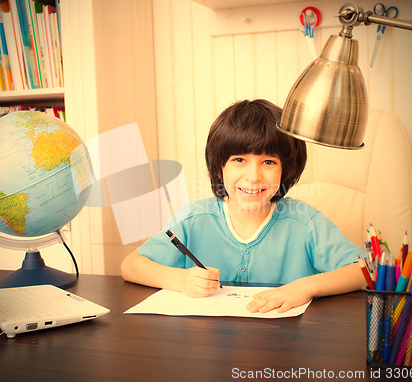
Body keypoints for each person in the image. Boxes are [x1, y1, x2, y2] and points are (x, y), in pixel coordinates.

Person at [121, 99, 367, 313]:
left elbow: (367, 270)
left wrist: (304, 286)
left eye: (268, 162)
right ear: (220, 167)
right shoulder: (193, 218)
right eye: (239, 160)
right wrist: (181, 279)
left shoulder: (304, 222)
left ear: (286, 169)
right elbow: (131, 265)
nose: (253, 177)